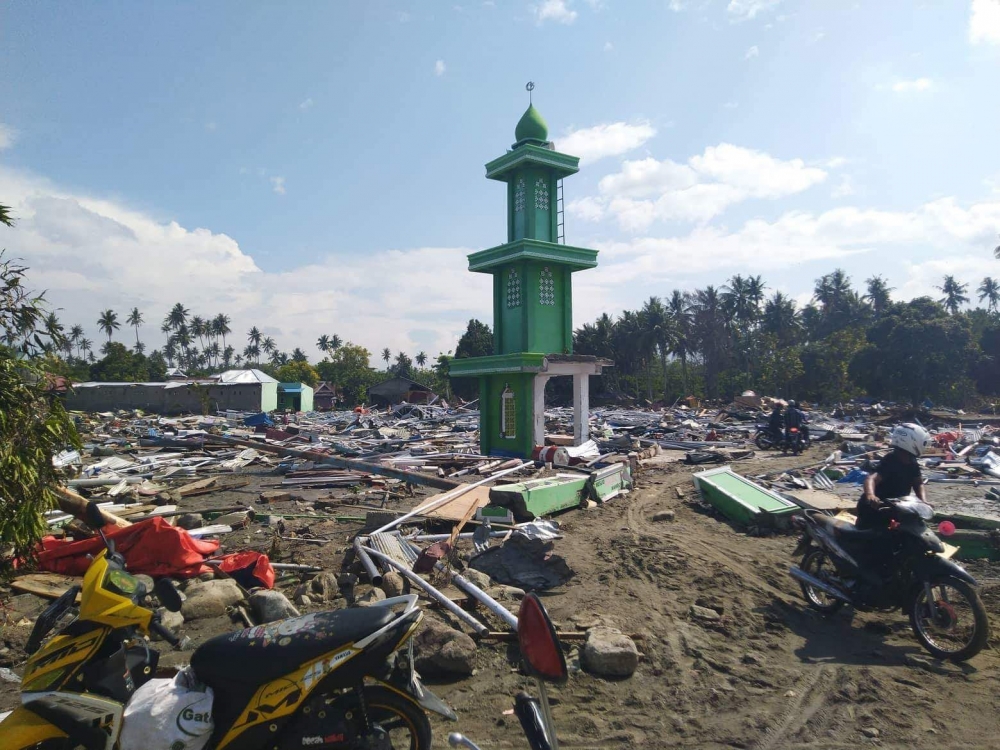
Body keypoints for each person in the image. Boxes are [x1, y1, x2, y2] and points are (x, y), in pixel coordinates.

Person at [857, 423, 931, 531]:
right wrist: (871, 495)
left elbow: (918, 483)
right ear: (914, 442)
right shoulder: (891, 460)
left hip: (897, 508)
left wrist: (923, 501)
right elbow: (871, 479)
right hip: (876, 508)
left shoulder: (912, 462)